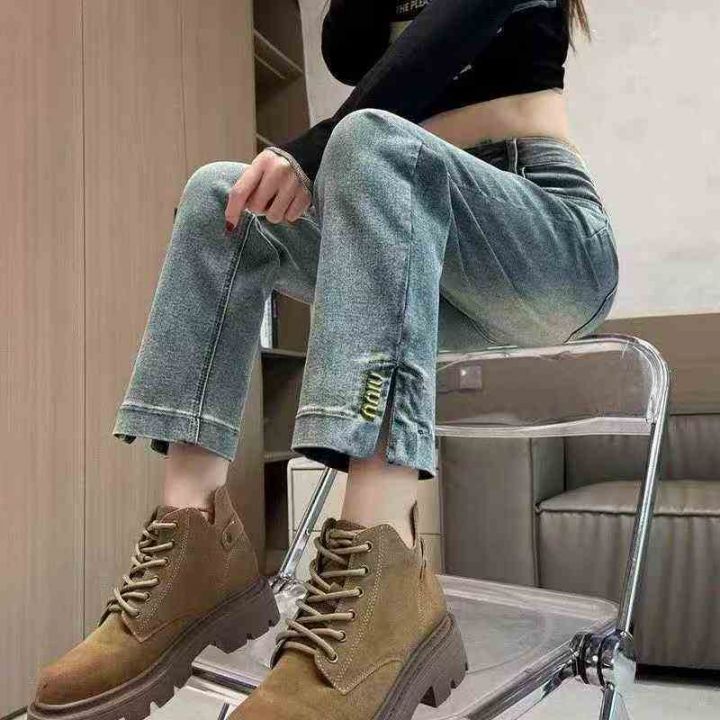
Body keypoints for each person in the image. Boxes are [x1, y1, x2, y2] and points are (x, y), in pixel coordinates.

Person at [28, 1, 618, 719]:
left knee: (374, 140)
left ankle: (384, 568)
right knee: (220, 199)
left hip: (543, 234)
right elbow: (348, 48)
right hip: (411, 242)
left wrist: (309, 153)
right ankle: (194, 541)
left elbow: (445, 37)